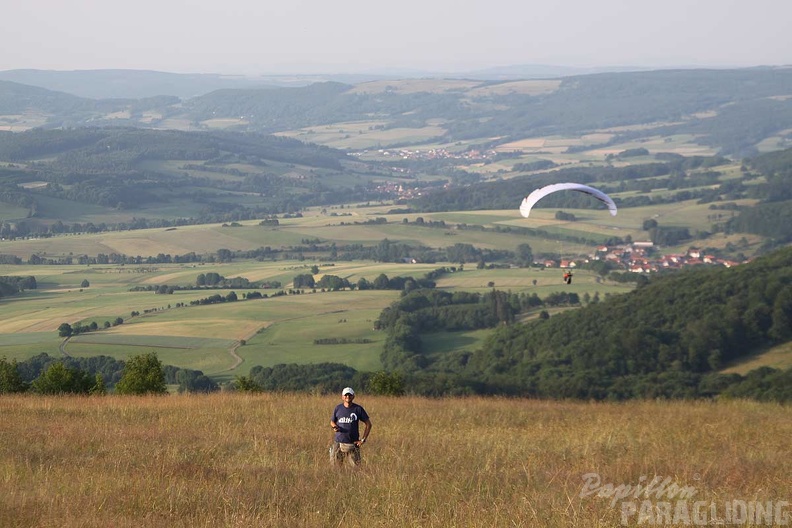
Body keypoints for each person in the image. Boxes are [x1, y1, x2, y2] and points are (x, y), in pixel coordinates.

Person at [329, 387, 372, 467]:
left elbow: (368, 424)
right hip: (338, 442)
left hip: (353, 444)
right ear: (342, 397)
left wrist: (362, 440)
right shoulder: (338, 408)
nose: (347, 397)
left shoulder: (358, 409)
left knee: (356, 469)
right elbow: (332, 421)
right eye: (346, 395)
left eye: (349, 395)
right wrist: (334, 426)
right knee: (335, 468)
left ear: (353, 396)